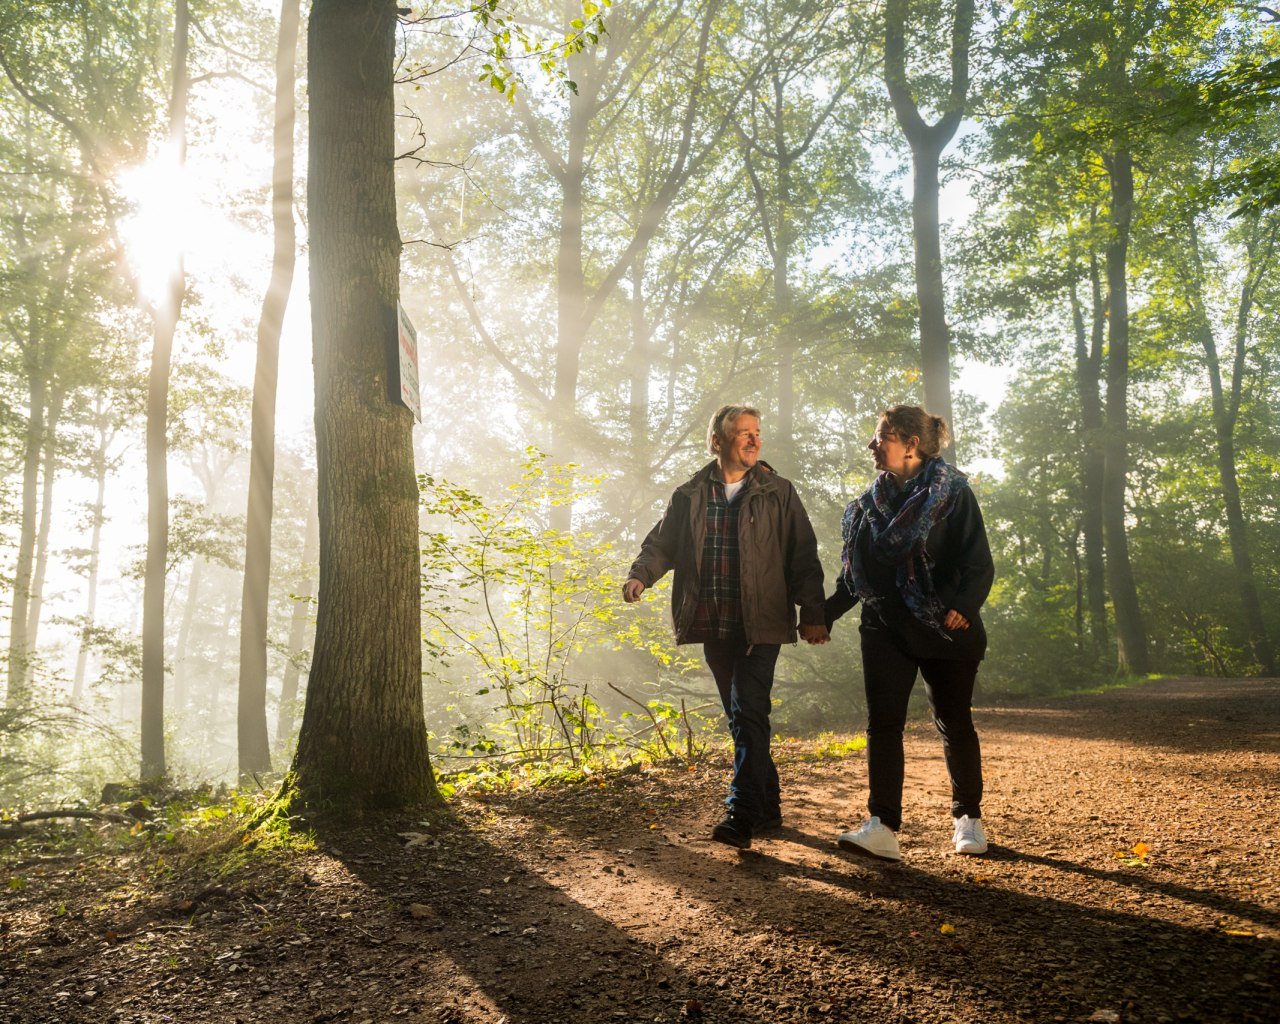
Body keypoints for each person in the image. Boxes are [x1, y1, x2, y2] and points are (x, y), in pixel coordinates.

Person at [623, 405, 829, 850]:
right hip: (712, 622)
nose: (753, 441)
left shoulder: (779, 492)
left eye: (757, 433)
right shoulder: (690, 494)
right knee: (742, 719)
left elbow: (803, 556)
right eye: (743, 434)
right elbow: (663, 543)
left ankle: (741, 813)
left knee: (749, 711)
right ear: (717, 441)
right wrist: (641, 574)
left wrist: (812, 613)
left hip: (762, 625)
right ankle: (769, 807)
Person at [825, 405, 994, 861]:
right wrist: (823, 616)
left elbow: (978, 561)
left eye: (881, 436)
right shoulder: (868, 505)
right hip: (884, 628)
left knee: (953, 720)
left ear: (910, 444)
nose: (872, 445)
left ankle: (968, 820)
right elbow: (853, 576)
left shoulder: (953, 494)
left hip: (945, 628)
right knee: (882, 726)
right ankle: (882, 826)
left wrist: (963, 606)